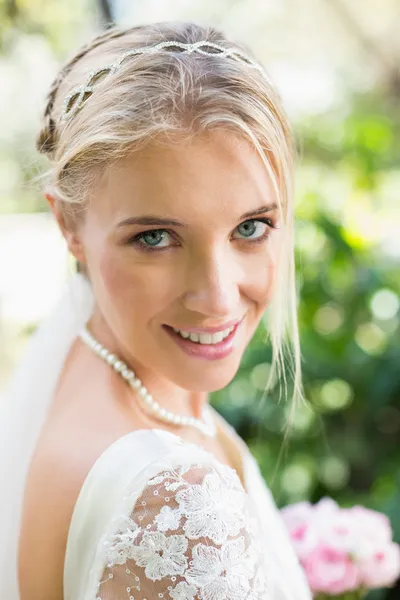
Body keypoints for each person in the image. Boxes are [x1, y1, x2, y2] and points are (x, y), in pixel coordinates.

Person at [0, 20, 311, 600]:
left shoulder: (81, 357)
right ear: (67, 224)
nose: (218, 296)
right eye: (155, 238)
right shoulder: (178, 502)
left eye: (251, 227)